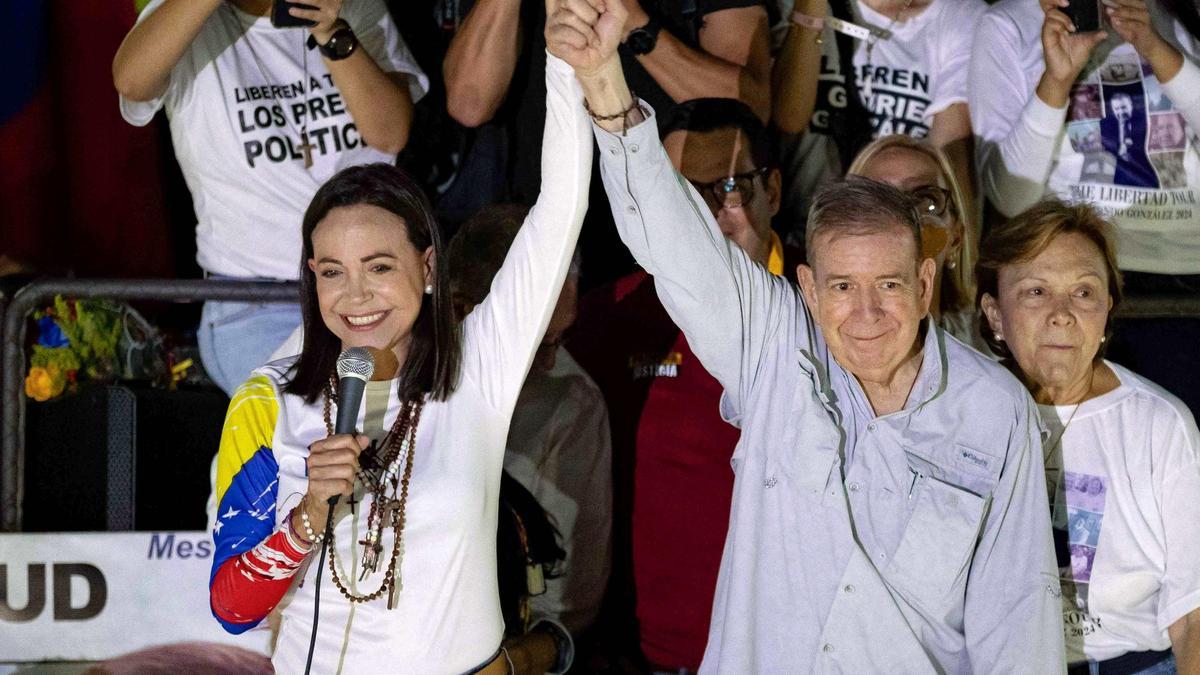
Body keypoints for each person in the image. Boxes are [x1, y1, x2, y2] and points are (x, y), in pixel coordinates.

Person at [555, 1, 1064, 669]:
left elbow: (1020, 620)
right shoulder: (773, 350)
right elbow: (672, 241)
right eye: (843, 287)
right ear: (808, 288)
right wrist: (603, 84)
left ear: (924, 283)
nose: (867, 311)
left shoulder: (995, 410)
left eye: (888, 283)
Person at [203, 0, 595, 668]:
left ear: (428, 264)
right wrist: (305, 520)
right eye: (333, 272)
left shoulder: (479, 366)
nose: (356, 296)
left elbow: (561, 207)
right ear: (311, 278)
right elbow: (232, 607)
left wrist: (566, 60)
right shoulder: (270, 397)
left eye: (379, 267)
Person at [570, 96, 794, 672]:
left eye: (724, 187)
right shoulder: (604, 320)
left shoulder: (828, 307)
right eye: (679, 192)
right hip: (643, 653)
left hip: (793, 648)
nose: (700, 214)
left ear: (772, 189)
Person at [112, 0, 426, 396]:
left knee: (395, 435)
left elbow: (391, 131)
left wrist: (331, 32)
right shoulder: (192, 19)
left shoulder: (351, 7)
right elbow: (130, 81)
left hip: (369, 291)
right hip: (257, 303)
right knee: (311, 430)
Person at [977, 198, 1200, 674]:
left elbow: (1193, 612)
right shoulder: (965, 413)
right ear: (995, 315)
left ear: (1106, 313)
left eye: (1083, 292)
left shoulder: (1159, 425)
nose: (1062, 314)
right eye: (1036, 292)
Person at [970, 0, 1200, 417]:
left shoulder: (1179, 14)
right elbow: (1008, 196)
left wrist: (1156, 48)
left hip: (1189, 274)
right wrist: (1056, 83)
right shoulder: (1008, 24)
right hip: (1072, 287)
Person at [442, 0, 773, 286]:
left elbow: (750, 107)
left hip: (677, 233)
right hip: (553, 242)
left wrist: (633, 23)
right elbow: (468, 104)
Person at [447, 204, 613, 673]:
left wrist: (515, 661)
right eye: (537, 340)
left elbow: (565, 605)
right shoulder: (390, 375)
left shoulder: (572, 403)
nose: (549, 363)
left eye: (562, 337)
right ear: (461, 309)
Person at [770, 0, 985, 243]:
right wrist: (811, 12)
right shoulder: (800, 5)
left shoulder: (960, 15)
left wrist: (963, 265)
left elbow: (950, 162)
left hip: (899, 243)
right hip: (805, 235)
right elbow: (788, 119)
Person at [846, 134, 985, 351]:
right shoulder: (807, 343)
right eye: (878, 199)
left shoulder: (992, 347)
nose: (903, 216)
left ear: (956, 239)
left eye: (926, 200)